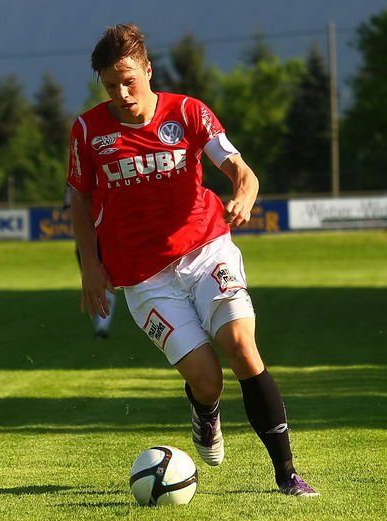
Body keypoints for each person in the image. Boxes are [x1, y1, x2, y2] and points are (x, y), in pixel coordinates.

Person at [68, 24, 318, 496]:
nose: (122, 94)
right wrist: (90, 266)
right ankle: (206, 411)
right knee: (207, 380)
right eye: (110, 85)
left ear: (148, 70)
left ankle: (287, 474)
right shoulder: (87, 130)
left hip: (206, 250)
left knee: (241, 345)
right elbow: (79, 200)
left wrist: (243, 193)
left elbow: (240, 170)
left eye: (129, 81)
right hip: (144, 278)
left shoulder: (187, 112)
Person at [64, 184, 116, 338]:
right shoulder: (73, 183)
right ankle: (100, 325)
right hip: (87, 242)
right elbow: (70, 209)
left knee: (107, 283)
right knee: (93, 283)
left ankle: (102, 326)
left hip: (103, 238)